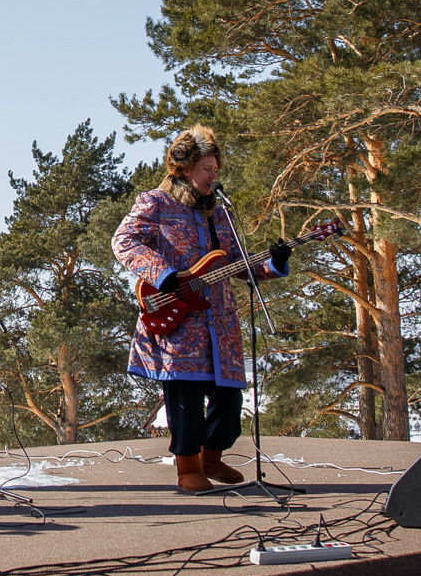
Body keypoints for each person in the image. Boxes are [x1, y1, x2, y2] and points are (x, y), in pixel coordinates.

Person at [111, 125, 289, 495]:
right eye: (207, 167)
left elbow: (240, 265)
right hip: (178, 316)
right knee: (185, 397)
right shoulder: (155, 203)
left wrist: (273, 263)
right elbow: (123, 241)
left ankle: (212, 457)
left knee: (230, 397)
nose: (213, 175)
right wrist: (163, 274)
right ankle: (187, 465)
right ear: (185, 169)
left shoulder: (220, 216)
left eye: (216, 168)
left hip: (219, 321)